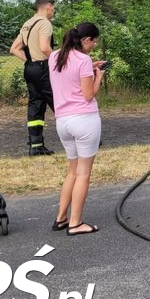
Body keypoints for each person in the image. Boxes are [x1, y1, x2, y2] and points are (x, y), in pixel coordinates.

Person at [48, 22, 105, 236]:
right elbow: (88, 94)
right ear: (85, 40)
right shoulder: (83, 59)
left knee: (72, 171)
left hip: (63, 121)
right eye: (94, 40)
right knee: (83, 174)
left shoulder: (55, 57)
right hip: (84, 120)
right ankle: (76, 222)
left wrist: (89, 69)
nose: (95, 44)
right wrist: (97, 77)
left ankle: (61, 217)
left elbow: (67, 77)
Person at [9, 0, 56, 156]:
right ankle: (82, 135)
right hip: (43, 68)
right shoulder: (45, 24)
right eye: (53, 8)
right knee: (59, 102)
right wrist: (59, 61)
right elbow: (44, 48)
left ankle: (36, 145)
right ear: (48, 7)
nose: (53, 11)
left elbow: (14, 48)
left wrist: (30, 60)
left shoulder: (28, 24)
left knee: (36, 105)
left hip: (30, 69)